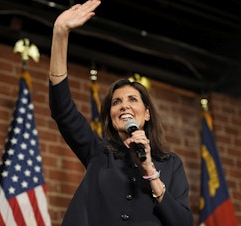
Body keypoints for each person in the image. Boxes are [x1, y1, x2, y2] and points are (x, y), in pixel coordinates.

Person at [48, 0, 194, 225]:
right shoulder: (98, 152)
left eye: (132, 100)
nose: (123, 106)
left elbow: (182, 222)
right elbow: (63, 110)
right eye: (116, 102)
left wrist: (150, 171)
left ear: (147, 114)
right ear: (111, 117)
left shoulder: (171, 164)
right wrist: (60, 35)